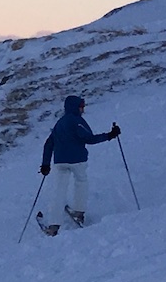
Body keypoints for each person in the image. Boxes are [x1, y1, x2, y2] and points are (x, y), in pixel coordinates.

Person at [38, 94, 121, 233]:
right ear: (75, 107)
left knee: (59, 191)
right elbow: (90, 139)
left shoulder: (60, 123)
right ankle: (78, 212)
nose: (83, 109)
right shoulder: (77, 121)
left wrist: (45, 164)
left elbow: (49, 143)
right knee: (81, 183)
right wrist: (110, 135)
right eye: (81, 106)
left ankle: (53, 225)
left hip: (60, 162)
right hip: (78, 161)